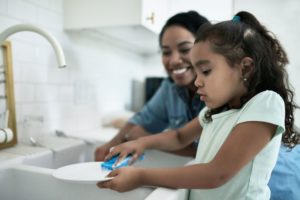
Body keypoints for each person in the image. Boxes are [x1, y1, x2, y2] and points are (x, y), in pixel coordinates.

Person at [97, 11, 299, 200]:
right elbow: (178, 137)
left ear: (244, 68)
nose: (197, 81)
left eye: (206, 71)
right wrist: (142, 143)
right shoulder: (215, 110)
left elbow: (216, 174)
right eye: (196, 71)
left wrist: (141, 176)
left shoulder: (265, 103)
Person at [95, 11, 208, 160]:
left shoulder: (221, 92)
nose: (174, 60)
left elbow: (205, 151)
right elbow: (141, 121)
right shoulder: (171, 87)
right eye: (166, 52)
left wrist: (145, 139)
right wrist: (110, 146)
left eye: (185, 49)